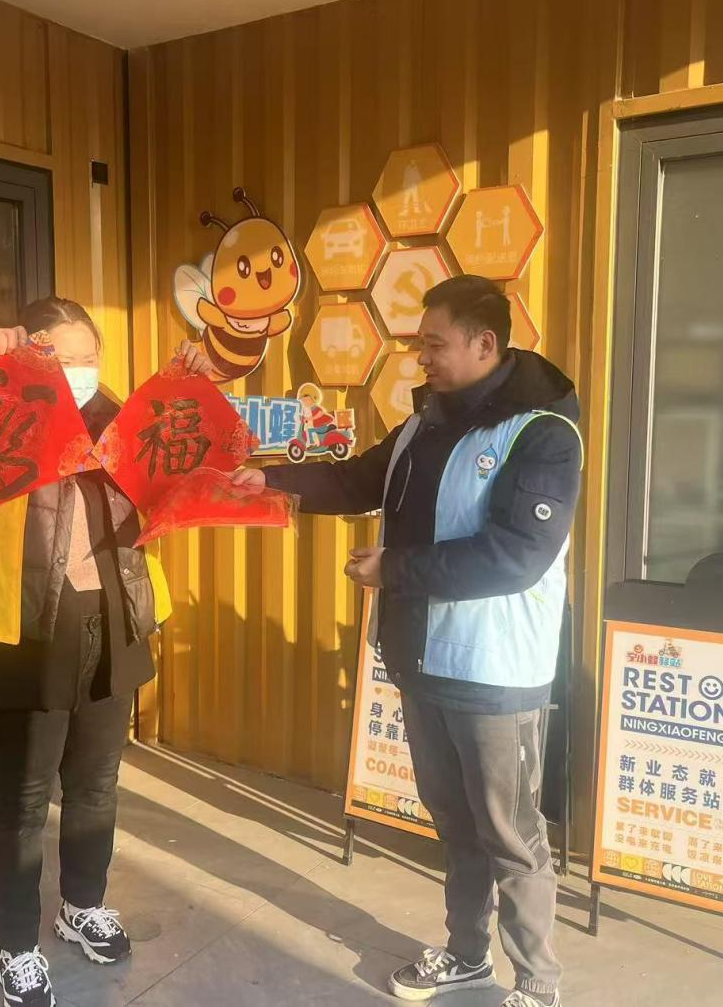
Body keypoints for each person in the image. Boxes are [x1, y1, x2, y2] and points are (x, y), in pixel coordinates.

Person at [234, 275, 581, 1007]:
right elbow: (359, 480)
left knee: (511, 834)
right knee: (454, 822)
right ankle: (466, 955)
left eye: (434, 344)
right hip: (422, 656)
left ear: (484, 344)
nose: (421, 357)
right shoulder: (426, 421)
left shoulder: (542, 434)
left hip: (494, 669)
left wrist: (392, 569)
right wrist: (267, 479)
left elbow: (517, 555)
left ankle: (538, 986)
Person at [0, 297, 212, 1007]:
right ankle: (17, 946)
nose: (79, 370)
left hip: (115, 615)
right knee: (22, 800)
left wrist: (189, 390)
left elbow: (175, 474)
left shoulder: (118, 417)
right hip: (22, 629)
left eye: (87, 357)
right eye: (63, 358)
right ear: (31, 356)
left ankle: (82, 906)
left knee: (97, 783)